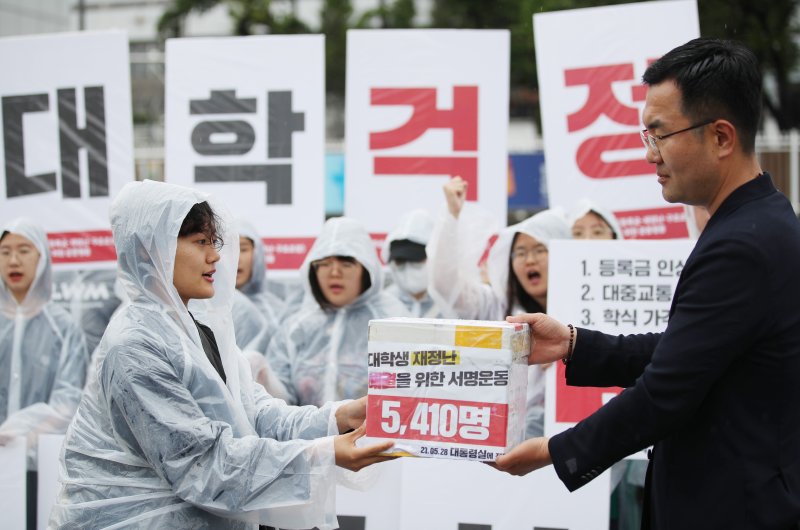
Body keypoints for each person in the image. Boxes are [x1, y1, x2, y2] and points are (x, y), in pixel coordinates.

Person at [493, 38, 800, 528]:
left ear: (721, 137)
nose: (650, 155)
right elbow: (689, 350)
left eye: (659, 135)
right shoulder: (755, 221)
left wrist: (555, 450)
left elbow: (666, 390)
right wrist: (573, 344)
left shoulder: (742, 243)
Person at [49, 180, 393, 529]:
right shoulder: (135, 346)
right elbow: (203, 463)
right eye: (200, 242)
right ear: (150, 248)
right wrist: (323, 453)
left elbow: (255, 415)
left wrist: (339, 417)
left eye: (214, 242)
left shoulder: (192, 331)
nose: (215, 256)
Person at [428, 177, 571, 438]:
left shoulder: (585, 316)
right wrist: (451, 217)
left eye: (539, 249)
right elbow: (445, 285)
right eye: (519, 252)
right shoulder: (496, 308)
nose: (529, 260)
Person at [0, 218, 89, 530]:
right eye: (5, 251)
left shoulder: (62, 327)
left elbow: (70, 399)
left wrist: (24, 432)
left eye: (24, 250)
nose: (13, 260)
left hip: (39, 465)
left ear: (42, 258)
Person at [267, 216, 409, 407]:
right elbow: (281, 401)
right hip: (308, 437)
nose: (334, 272)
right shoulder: (297, 327)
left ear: (366, 269)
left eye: (346, 263)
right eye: (324, 263)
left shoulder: (392, 321)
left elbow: (408, 390)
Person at [383, 209, 447, 318]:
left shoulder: (454, 302)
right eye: (400, 261)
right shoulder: (384, 305)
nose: (408, 268)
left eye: (416, 260)